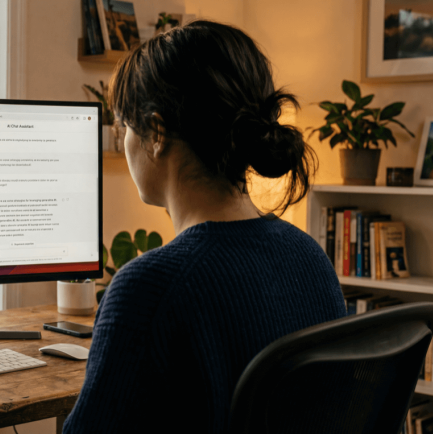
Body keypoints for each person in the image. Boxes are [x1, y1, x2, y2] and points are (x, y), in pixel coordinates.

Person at [63, 20, 345, 433]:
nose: (124, 142)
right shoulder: (310, 258)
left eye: (125, 127)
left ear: (156, 133)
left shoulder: (148, 290)